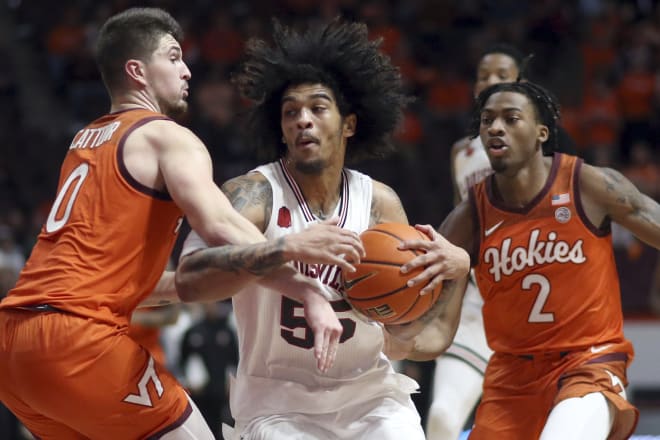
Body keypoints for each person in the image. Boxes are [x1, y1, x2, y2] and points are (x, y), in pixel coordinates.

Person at [0, 8, 364, 439]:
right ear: (137, 71)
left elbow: (117, 280)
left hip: (14, 349)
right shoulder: (165, 136)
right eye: (173, 57)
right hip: (79, 344)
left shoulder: (84, 144)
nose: (186, 69)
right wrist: (306, 288)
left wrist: (202, 283)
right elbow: (220, 225)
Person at [175, 18, 470, 440]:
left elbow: (406, 340)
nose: (303, 120)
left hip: (372, 400)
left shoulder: (379, 203)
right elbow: (191, 279)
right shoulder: (254, 196)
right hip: (276, 407)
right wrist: (288, 247)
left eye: (317, 107)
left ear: (349, 124)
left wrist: (453, 272)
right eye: (291, 112)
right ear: (280, 128)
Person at [400, 80, 660, 439]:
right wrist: (394, 341)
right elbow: (439, 331)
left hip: (587, 363)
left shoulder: (587, 185)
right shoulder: (470, 217)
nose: (495, 127)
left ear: (541, 132)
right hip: (511, 378)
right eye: (487, 120)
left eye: (510, 118)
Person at [427, 43, 578, 440]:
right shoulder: (461, 152)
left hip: (540, 313)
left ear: (521, 85)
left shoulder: (549, 151)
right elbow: (464, 224)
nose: (490, 82)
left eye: (501, 75)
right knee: (441, 419)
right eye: (483, 75)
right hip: (480, 305)